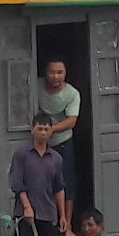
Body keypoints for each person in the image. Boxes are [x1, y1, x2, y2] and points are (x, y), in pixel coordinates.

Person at [8, 114, 72, 236]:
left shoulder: (56, 158)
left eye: (46, 129)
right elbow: (17, 184)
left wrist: (62, 216)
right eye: (40, 129)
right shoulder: (22, 154)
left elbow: (59, 188)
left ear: (51, 132)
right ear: (32, 130)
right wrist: (27, 207)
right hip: (25, 214)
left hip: (48, 213)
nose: (43, 132)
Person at [38, 58, 83, 192]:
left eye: (60, 72)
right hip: (38, 141)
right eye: (52, 72)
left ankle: (66, 207)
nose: (56, 76)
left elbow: (72, 121)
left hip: (62, 141)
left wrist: (52, 129)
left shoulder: (72, 94)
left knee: (66, 180)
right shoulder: (35, 85)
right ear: (45, 72)